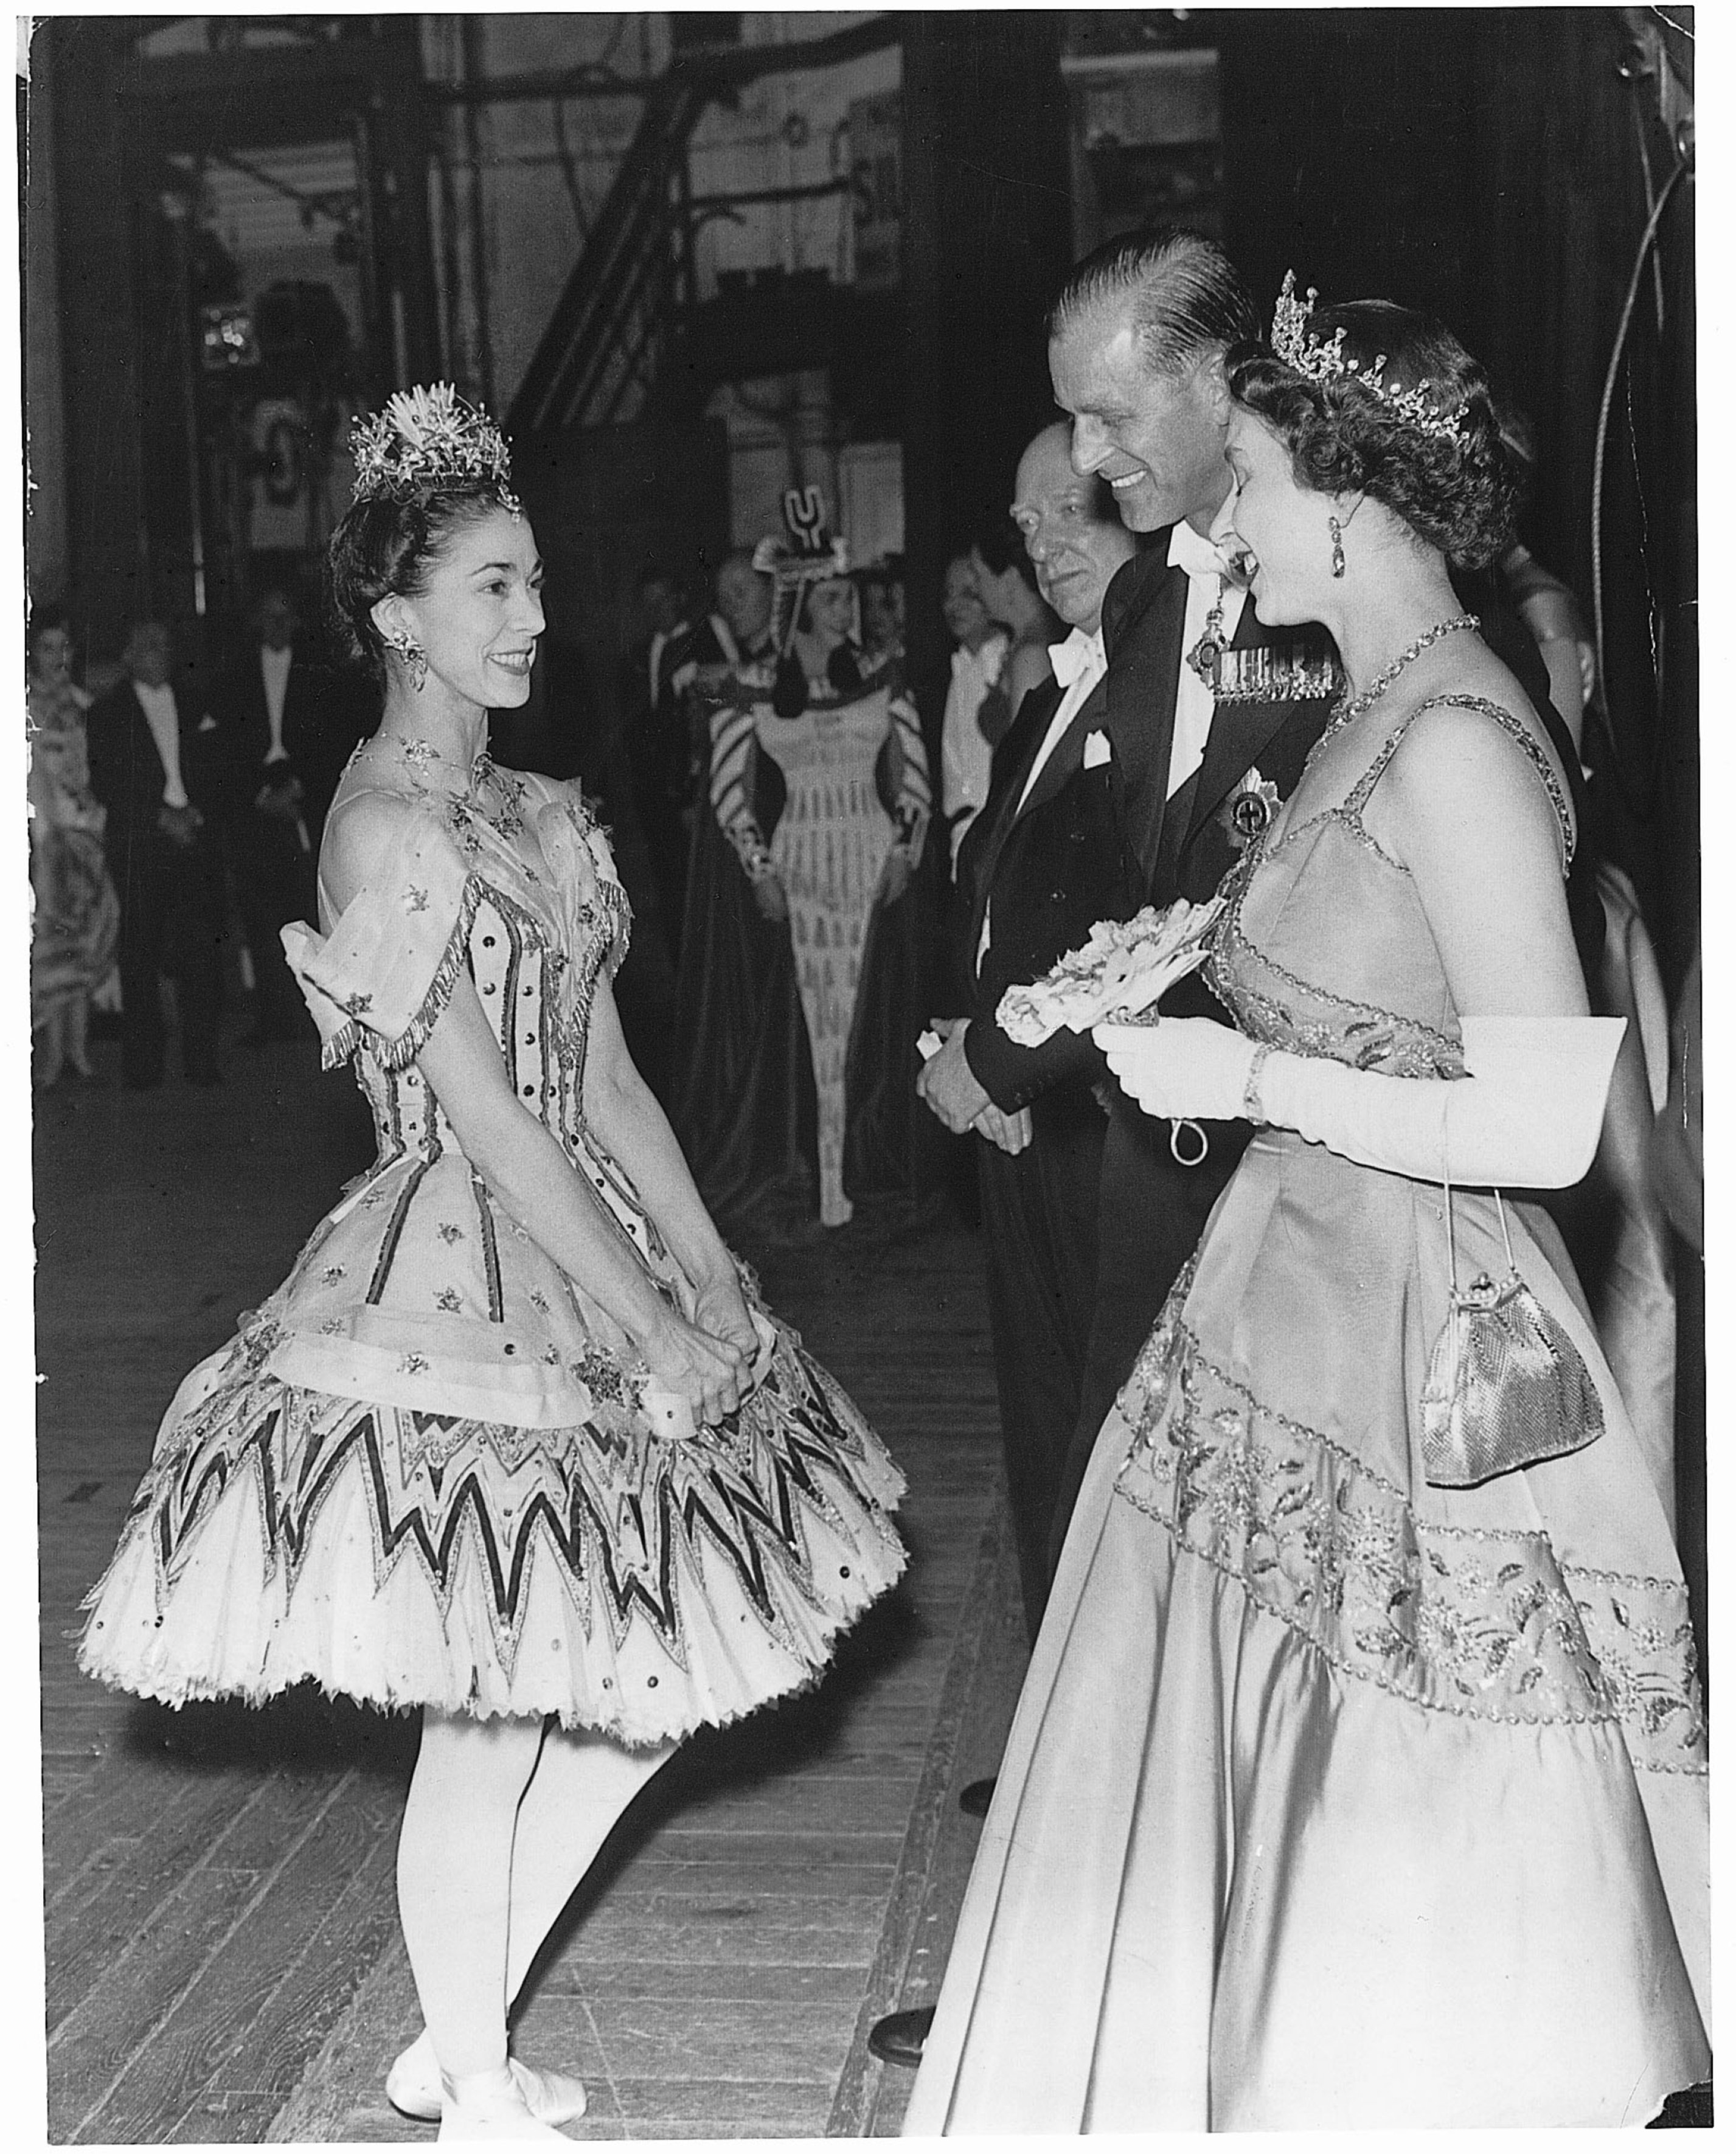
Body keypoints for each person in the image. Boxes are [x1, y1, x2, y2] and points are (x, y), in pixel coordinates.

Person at [904, 284, 1707, 2131]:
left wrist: (1250, 1078)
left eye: (1248, 480)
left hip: (1416, 1363)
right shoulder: (1371, 702)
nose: (1218, 518)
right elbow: (1358, 962)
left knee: (1389, 1850)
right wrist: (1165, 966)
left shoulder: (1458, 739)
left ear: (1344, 504)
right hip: (1283, 1317)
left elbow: (1545, 1102)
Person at [79, 387, 908, 2142]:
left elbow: (604, 1079)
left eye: (536, 582)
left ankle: (456, 2027)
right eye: (494, 586)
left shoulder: (542, 803)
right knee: (498, 1699)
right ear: (395, 616)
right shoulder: (382, 828)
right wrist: (644, 1323)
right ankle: (474, 2089)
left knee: (640, 1686)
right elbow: (501, 1128)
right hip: (460, 1260)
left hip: (592, 1219)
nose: (536, 616)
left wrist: (710, 1270)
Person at [919, 426, 1137, 1645]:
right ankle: (1067, 1751)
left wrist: (1003, 1055)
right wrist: (962, 1026)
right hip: (1014, 1112)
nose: (1045, 543)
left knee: (1113, 1437)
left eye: (1071, 512)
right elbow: (1001, 884)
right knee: (1046, 1430)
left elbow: (1147, 924)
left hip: (1101, 1115)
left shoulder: (1163, 689)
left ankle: (1109, 1765)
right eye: (1026, 523)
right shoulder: (1044, 691)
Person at [696, 495, 931, 1228]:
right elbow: (727, 795)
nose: (845, 612)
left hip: (866, 852)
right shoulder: (754, 688)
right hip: (801, 858)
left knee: (863, 1020)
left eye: (847, 598)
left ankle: (853, 1171)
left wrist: (903, 851)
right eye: (830, 599)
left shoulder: (882, 674)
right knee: (819, 1019)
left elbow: (916, 781)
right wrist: (760, 867)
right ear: (797, 603)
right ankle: (826, 1180)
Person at [212, 580, 361, 1044]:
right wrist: (259, 794)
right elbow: (226, 745)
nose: (277, 625)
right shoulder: (234, 674)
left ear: (296, 622)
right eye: (268, 615)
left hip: (305, 803)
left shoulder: (319, 672)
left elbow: (334, 738)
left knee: (310, 911)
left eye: (285, 615)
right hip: (256, 807)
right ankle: (271, 1021)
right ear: (256, 621)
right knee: (261, 917)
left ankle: (315, 1021)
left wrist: (301, 786)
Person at [87, 617, 227, 1089]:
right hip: (142, 845)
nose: (159, 653)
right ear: (127, 656)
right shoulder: (107, 713)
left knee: (200, 955)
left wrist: (196, 813)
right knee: (141, 955)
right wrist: (160, 816)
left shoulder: (193, 702)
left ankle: (201, 1060)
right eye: (148, 646)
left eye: (165, 645)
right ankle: (144, 1065)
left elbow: (215, 767)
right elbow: (107, 781)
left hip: (194, 841)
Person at [27, 602, 120, 1088]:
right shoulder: (22, 706)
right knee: (50, 942)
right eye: (46, 648)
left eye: (64, 648)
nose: (56, 657)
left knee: (84, 940)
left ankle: (79, 1053)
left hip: (87, 829)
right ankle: (49, 1058)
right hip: (46, 838)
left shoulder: (83, 703)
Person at [936, 552, 1009, 875]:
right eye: (948, 594)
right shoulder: (958, 667)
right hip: (962, 837)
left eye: (968, 594)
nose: (955, 605)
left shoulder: (1007, 664)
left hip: (996, 838)